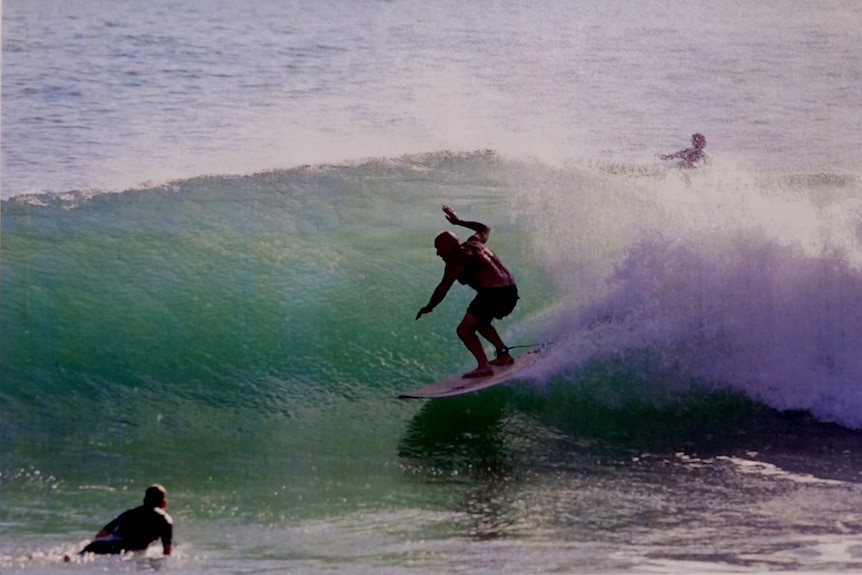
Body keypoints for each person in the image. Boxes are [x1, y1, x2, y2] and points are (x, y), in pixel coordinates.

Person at [416, 205, 519, 378]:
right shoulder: (475, 243)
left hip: (493, 294)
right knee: (481, 323)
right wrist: (458, 222)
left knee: (464, 330)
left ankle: (484, 366)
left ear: (449, 246)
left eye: (439, 248)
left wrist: (429, 307)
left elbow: (442, 289)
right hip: (510, 291)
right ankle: (504, 356)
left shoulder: (455, 263)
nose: (437, 253)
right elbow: (484, 228)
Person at [79, 483, 173, 556]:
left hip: (101, 545)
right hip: (127, 551)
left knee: (82, 554)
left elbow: (101, 535)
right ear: (164, 503)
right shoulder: (165, 519)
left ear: (144, 500)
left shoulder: (129, 513)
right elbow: (167, 551)